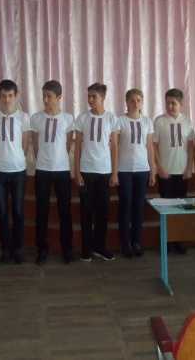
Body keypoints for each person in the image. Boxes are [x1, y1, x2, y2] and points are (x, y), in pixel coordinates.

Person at [74, 82, 119, 262]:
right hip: (86, 171)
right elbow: (77, 147)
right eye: (89, 96)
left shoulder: (111, 118)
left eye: (94, 96)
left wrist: (114, 173)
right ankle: (86, 249)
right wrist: (77, 172)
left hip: (104, 172)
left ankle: (100, 247)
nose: (90, 100)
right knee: (86, 211)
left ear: (103, 98)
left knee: (103, 211)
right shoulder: (82, 118)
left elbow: (114, 147)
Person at [30, 80, 74, 265]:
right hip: (42, 170)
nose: (46, 100)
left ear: (59, 97)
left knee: (65, 211)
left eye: (49, 96)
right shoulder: (36, 118)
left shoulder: (68, 119)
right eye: (44, 96)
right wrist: (42, 160)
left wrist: (58, 159)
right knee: (42, 211)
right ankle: (42, 249)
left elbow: (68, 144)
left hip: (62, 170)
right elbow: (35, 144)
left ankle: (67, 249)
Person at [0, 79, 31, 264]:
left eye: (10, 96)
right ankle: (5, 250)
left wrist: (16, 158)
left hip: (18, 171)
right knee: (2, 212)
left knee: (18, 211)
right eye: (4, 96)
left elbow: (25, 144)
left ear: (16, 96)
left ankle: (18, 249)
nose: (7, 100)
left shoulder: (24, 118)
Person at [153, 88, 194, 253]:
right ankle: (167, 241)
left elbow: (191, 147)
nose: (170, 106)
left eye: (173, 103)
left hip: (182, 171)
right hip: (166, 172)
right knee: (166, 208)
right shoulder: (159, 121)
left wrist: (189, 168)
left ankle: (179, 240)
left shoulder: (187, 121)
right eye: (168, 103)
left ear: (181, 104)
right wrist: (159, 167)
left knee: (181, 207)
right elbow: (154, 146)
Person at [116, 88, 155, 258]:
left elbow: (150, 147)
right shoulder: (120, 121)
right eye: (132, 100)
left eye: (138, 100)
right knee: (125, 206)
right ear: (126, 102)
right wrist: (114, 171)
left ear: (142, 102)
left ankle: (137, 242)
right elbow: (115, 146)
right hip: (124, 170)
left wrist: (152, 170)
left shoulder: (147, 121)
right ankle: (125, 244)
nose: (135, 103)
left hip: (142, 169)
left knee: (139, 207)